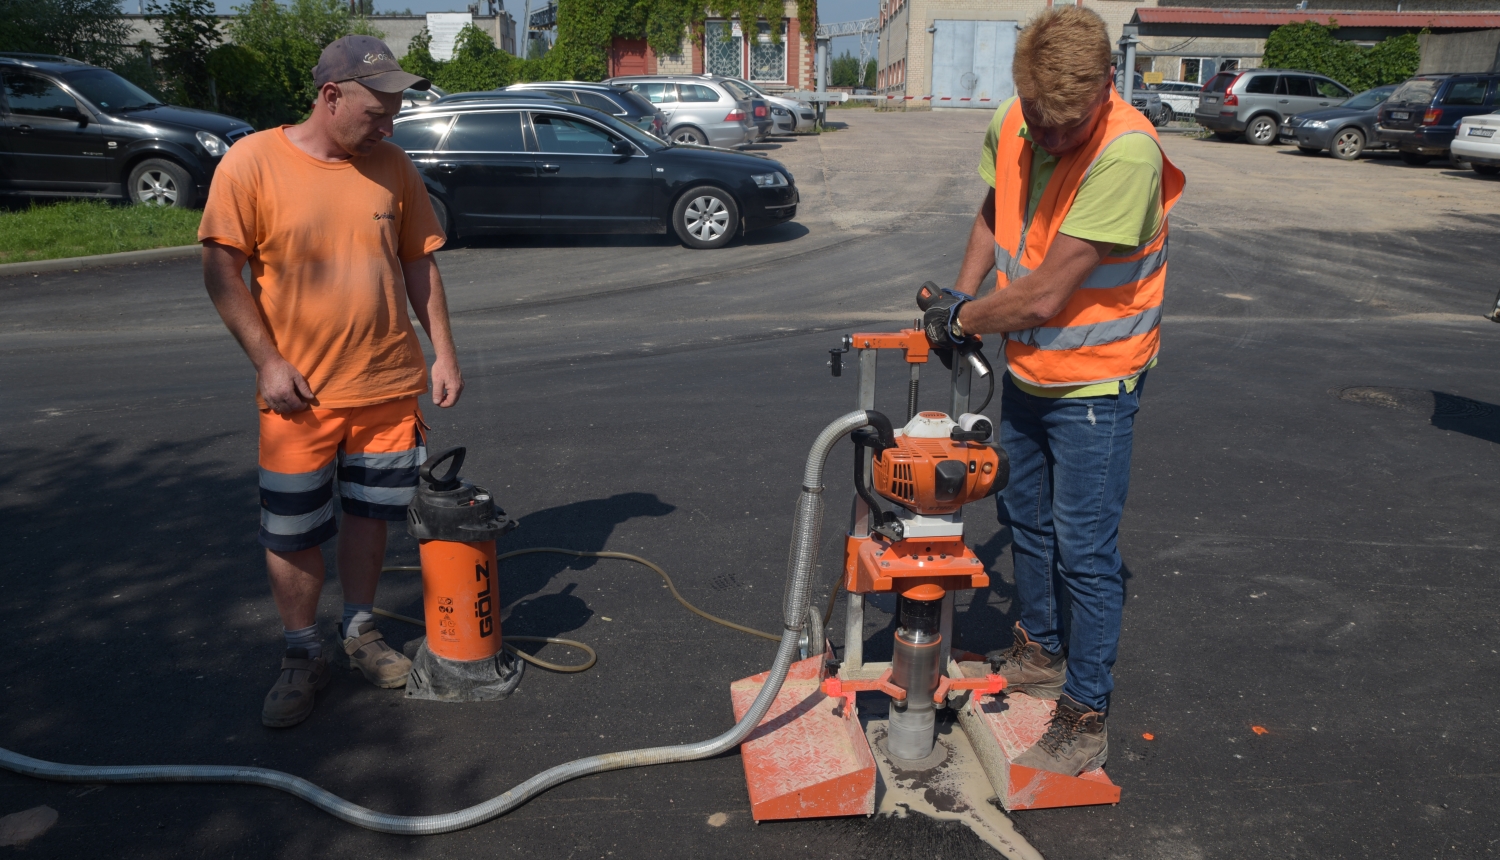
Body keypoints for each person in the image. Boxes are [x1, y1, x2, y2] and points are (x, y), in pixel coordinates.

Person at [920, 7, 1185, 776]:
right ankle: (1040, 651)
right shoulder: (1015, 119)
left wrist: (964, 317)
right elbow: (993, 212)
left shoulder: (1128, 153)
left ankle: (1084, 713)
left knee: (1085, 552)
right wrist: (955, 303)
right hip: (1034, 371)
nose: (1052, 137)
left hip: (1096, 385)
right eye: (1041, 119)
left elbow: (1042, 298)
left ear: (1107, 85)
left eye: (1068, 125)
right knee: (1022, 515)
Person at [200, 35, 461, 728]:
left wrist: (445, 353)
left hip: (386, 385)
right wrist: (266, 360)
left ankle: (358, 633)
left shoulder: (394, 166)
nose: (389, 125)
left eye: (394, 112)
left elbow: (418, 267)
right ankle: (299, 652)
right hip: (298, 397)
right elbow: (222, 270)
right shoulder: (252, 162)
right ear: (330, 96)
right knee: (292, 532)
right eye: (377, 111)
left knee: (372, 519)